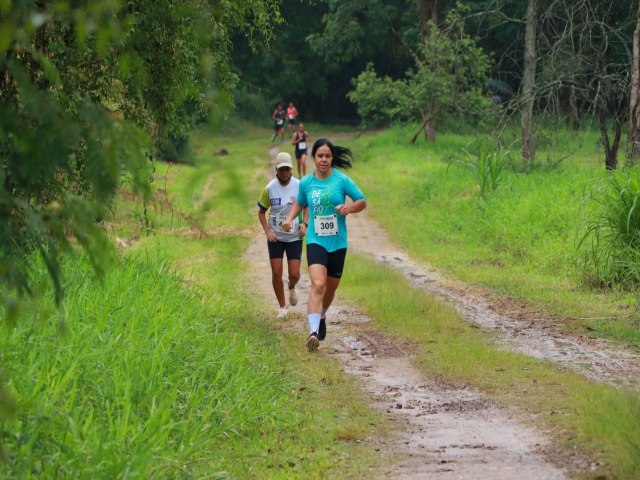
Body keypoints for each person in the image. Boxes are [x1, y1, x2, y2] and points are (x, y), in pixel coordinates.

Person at [282, 138, 366, 352]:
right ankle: (312, 333)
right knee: (318, 285)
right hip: (315, 240)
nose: (324, 160)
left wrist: (349, 208)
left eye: (328, 156)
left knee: (330, 288)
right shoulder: (307, 183)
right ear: (313, 158)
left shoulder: (342, 180)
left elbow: (361, 200)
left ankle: (322, 315)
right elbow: (300, 202)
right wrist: (291, 218)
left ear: (332, 158)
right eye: (320, 156)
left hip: (338, 242)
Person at [258, 152, 309, 318]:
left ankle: (292, 286)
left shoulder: (299, 186)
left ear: (292, 169)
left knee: (294, 273)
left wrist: (304, 224)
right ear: (276, 170)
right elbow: (261, 212)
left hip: (294, 236)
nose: (285, 173)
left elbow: (306, 206)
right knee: (276, 272)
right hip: (276, 237)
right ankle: (282, 307)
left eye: (287, 169)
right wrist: (268, 231)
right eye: (282, 170)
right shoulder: (269, 188)